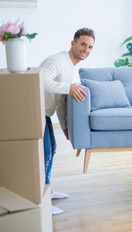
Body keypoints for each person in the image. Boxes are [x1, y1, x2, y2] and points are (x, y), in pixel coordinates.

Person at [40, 28, 95, 214]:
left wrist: (64, 127)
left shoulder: (69, 67)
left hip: (45, 114)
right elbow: (40, 81)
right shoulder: (57, 61)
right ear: (73, 44)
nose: (86, 50)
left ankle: (47, 190)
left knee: (52, 150)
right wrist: (68, 87)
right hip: (35, 112)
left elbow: (62, 98)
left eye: (90, 47)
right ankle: (43, 199)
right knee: (45, 154)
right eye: (83, 44)